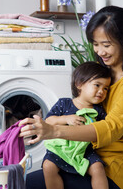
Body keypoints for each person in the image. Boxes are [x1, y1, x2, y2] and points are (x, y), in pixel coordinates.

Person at [19, 6, 123, 189]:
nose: (100, 51)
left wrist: (53, 131)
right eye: (95, 44)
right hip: (80, 159)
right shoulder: (100, 75)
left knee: (28, 184)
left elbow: (110, 128)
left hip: (114, 169)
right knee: (23, 179)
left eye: (106, 45)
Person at [43, 61, 111, 189]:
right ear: (79, 84)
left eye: (106, 88)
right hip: (60, 149)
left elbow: (105, 130)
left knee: (98, 168)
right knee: (48, 166)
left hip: (84, 151)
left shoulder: (98, 111)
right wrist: (66, 119)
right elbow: (48, 121)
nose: (101, 91)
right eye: (97, 85)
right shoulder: (64, 103)